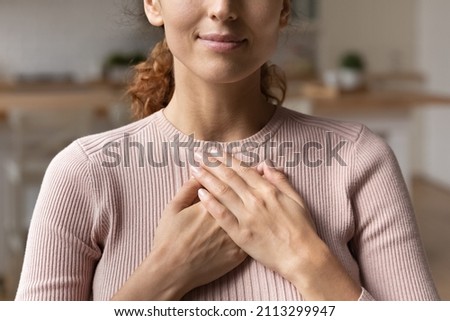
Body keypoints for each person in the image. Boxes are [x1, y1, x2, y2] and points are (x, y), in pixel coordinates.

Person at [16, 0, 439, 301]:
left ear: (285, 8)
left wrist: (305, 260)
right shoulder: (82, 173)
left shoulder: (360, 160)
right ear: (153, 4)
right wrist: (165, 274)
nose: (222, 8)